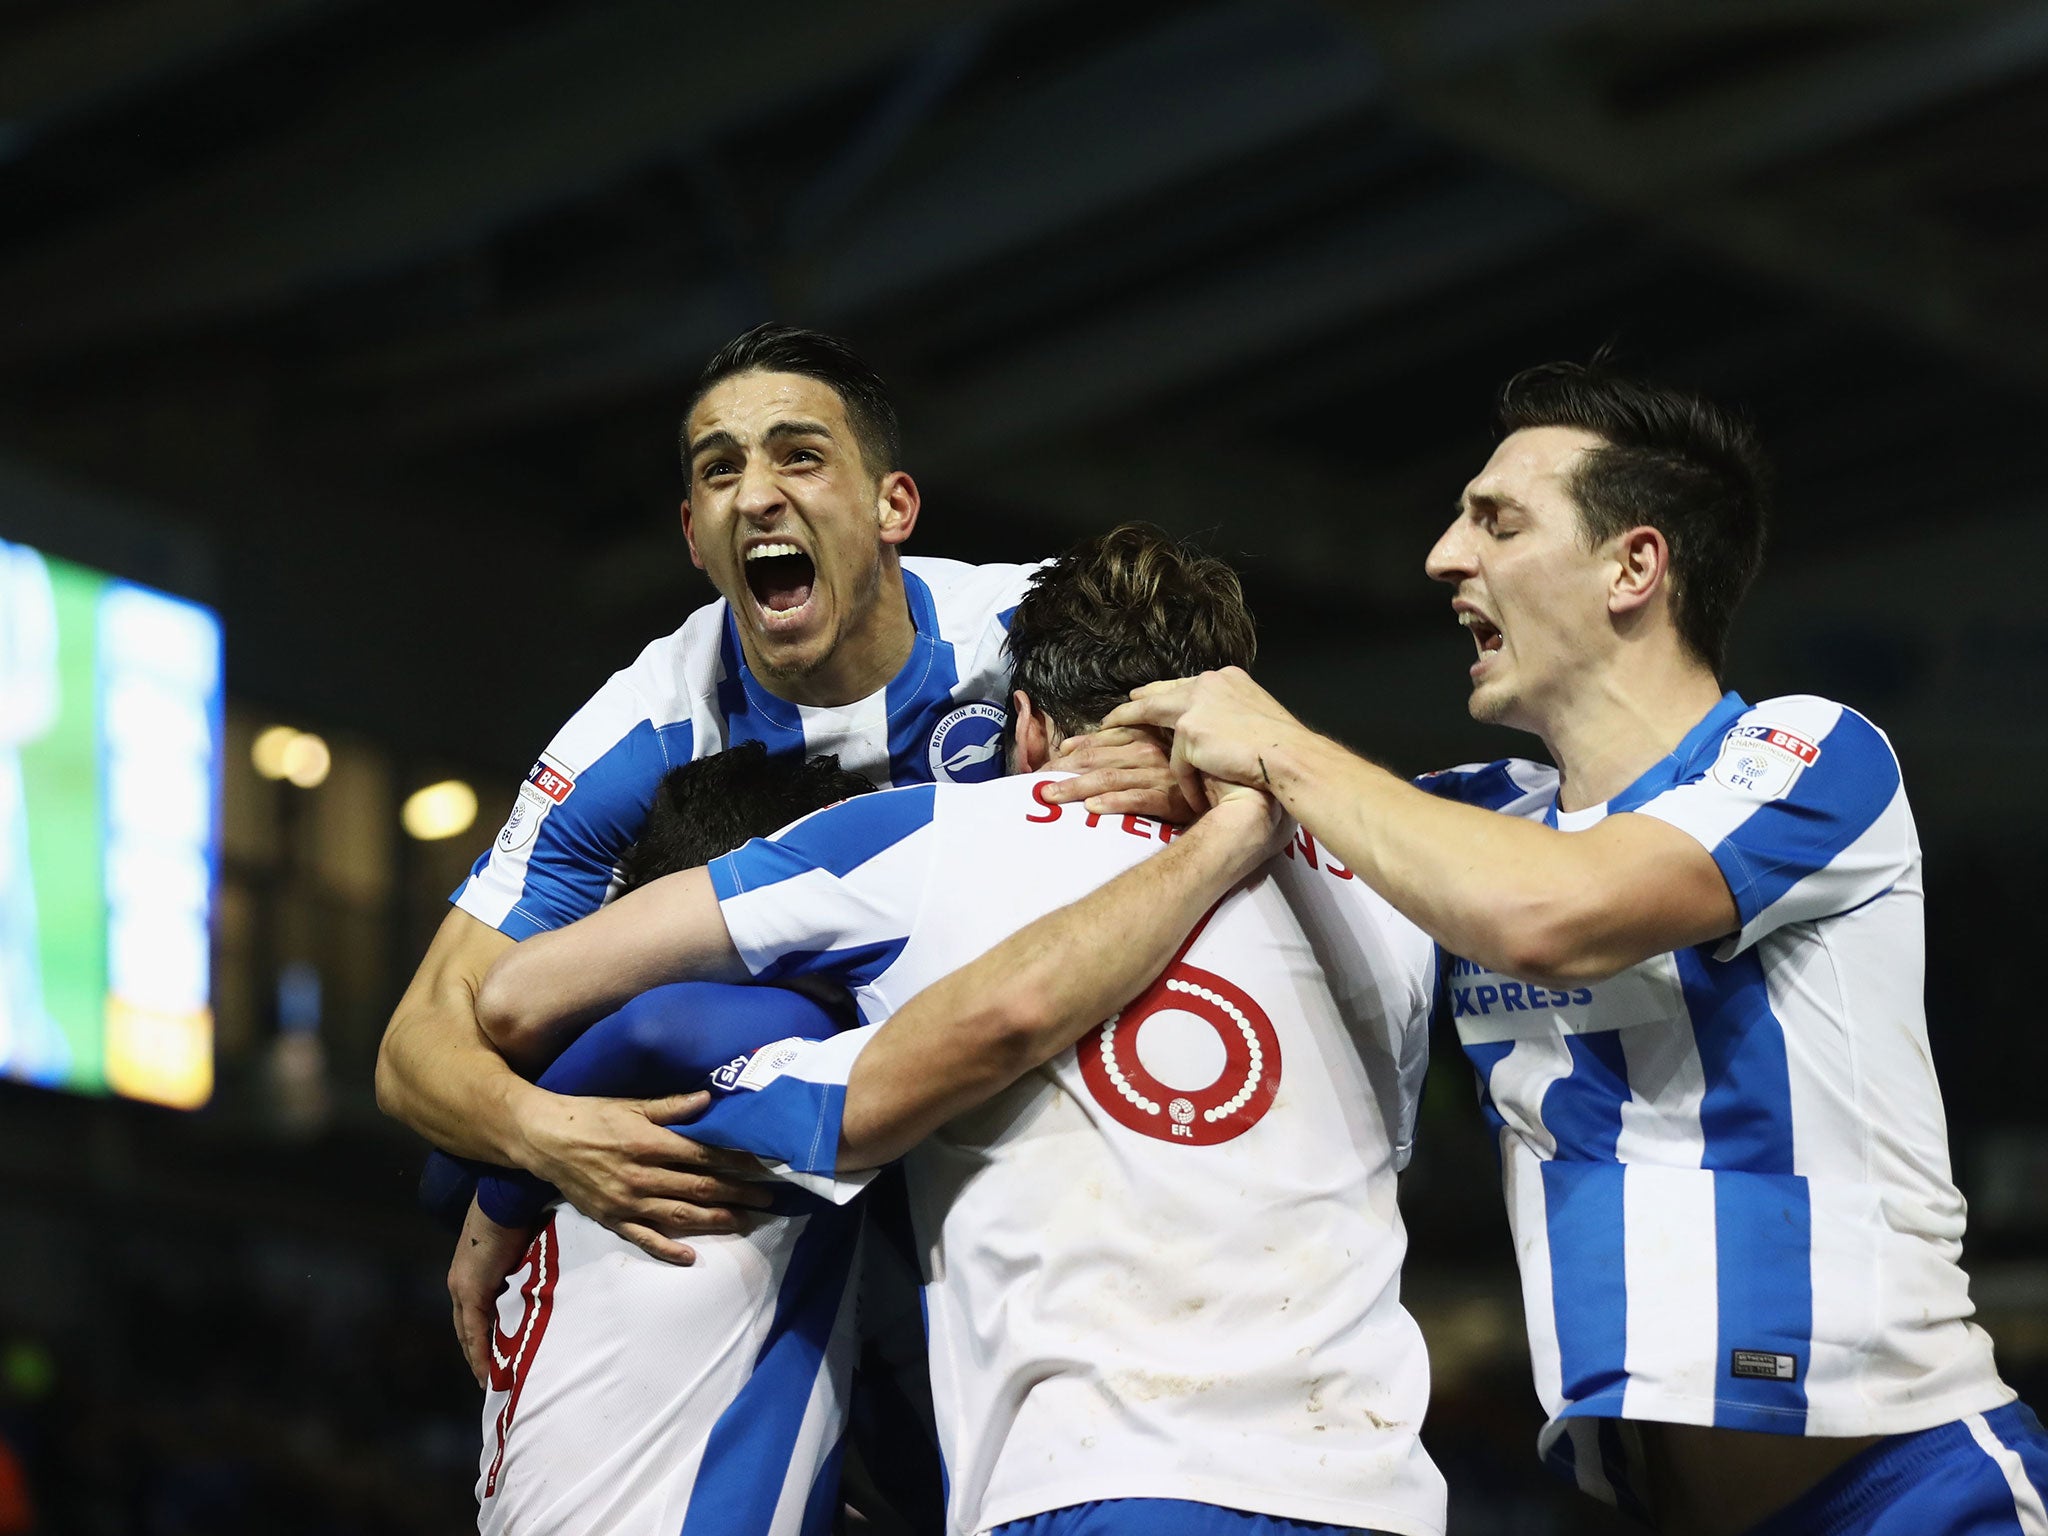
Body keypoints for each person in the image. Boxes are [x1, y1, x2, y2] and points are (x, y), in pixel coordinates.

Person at [1044, 361, 2048, 1535]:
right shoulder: (1469, 821)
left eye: (1495, 520)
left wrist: (1277, 752)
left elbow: (1553, 916)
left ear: (1633, 566)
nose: (1440, 556)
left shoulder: (1808, 754)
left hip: (1913, 1490)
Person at [473, 526, 1448, 1536]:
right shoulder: (1383, 890)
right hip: (1375, 1490)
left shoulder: (937, 833)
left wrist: (513, 1164)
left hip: (1093, 1480)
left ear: (1024, 726)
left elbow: (526, 994)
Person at [377, 321, 1081, 1261]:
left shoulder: (1025, 629)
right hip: (788, 1174)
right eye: (719, 471)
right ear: (694, 541)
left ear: (892, 506)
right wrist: (539, 1139)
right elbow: (418, 1043)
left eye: (800, 457)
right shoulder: (641, 732)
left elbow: (1233, 716)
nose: (756, 496)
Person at [445, 740, 889, 1536]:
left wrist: (499, 1190)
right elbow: (664, 1023)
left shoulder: (535, 1125)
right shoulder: (759, 1075)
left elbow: (440, 1174)